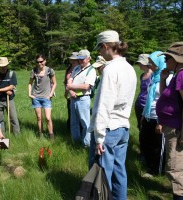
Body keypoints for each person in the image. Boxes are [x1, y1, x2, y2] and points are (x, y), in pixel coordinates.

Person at [88, 30, 137, 199]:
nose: (100, 52)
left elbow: (104, 105)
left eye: (100, 48)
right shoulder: (130, 68)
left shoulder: (110, 70)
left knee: (102, 174)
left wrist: (99, 137)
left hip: (108, 129)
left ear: (106, 46)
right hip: (123, 128)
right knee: (119, 171)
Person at [156, 42, 183, 200]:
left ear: (177, 59)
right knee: (173, 167)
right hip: (174, 127)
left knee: (177, 170)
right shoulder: (177, 74)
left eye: (167, 57)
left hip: (179, 129)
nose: (165, 61)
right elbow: (165, 96)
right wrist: (162, 79)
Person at [140, 51, 167, 176]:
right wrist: (143, 116)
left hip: (158, 117)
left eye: (152, 62)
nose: (149, 64)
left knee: (157, 146)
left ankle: (157, 171)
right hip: (148, 116)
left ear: (160, 63)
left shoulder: (167, 78)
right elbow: (149, 98)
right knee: (146, 142)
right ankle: (150, 167)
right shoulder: (155, 77)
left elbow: (166, 102)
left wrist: (161, 121)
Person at [66, 50, 96, 147]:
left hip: (83, 99)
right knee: (73, 122)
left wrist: (71, 87)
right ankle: (76, 142)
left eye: (82, 59)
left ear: (88, 58)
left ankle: (86, 144)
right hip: (73, 98)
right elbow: (69, 81)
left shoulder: (91, 70)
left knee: (85, 123)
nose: (80, 61)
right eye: (79, 59)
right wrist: (71, 91)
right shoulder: (76, 68)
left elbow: (86, 86)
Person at [28, 54, 57, 139]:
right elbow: (30, 83)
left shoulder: (50, 70)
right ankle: (40, 134)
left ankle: (51, 135)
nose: (39, 63)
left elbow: (55, 83)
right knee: (39, 117)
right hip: (36, 97)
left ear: (45, 61)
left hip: (46, 97)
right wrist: (29, 94)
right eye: (38, 62)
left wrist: (51, 94)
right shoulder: (34, 71)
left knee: (48, 118)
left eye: (41, 61)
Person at [0, 57, 20, 134]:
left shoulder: (11, 74)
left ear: (7, 65)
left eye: (5, 66)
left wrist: (0, 90)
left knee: (13, 118)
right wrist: (4, 90)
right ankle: (2, 135)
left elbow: (11, 86)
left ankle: (17, 135)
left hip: (9, 99)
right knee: (0, 118)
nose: (3, 68)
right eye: (2, 66)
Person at [134, 54, 152, 131]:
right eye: (139, 63)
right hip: (139, 104)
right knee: (140, 126)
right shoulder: (142, 75)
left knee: (147, 127)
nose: (139, 65)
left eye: (141, 63)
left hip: (148, 105)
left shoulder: (153, 75)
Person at [64, 52, 79, 131]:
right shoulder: (69, 69)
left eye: (75, 60)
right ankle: (70, 131)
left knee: (78, 115)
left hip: (77, 95)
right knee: (70, 114)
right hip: (69, 95)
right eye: (71, 60)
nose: (73, 62)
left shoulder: (80, 69)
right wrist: (66, 93)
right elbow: (66, 82)